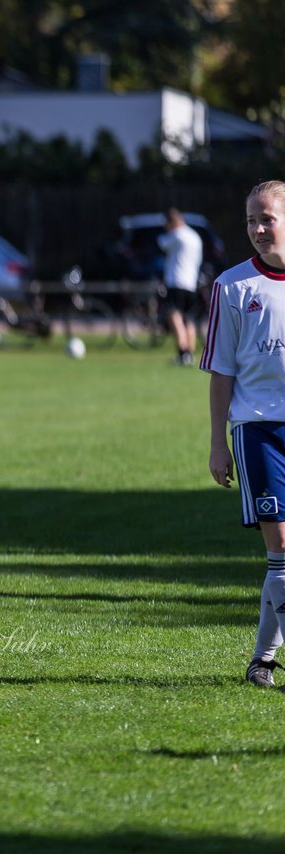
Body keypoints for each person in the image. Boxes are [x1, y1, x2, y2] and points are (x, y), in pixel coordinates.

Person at [204, 180, 285, 688]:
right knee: (280, 551)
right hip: (257, 430)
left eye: (268, 219)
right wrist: (218, 441)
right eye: (251, 220)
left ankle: (263, 660)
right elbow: (221, 371)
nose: (257, 229)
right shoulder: (232, 287)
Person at [159, 208, 204, 367]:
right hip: (191, 282)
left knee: (174, 316)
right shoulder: (195, 236)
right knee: (189, 319)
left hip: (176, 281)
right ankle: (190, 354)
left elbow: (161, 244)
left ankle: (182, 352)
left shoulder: (177, 235)